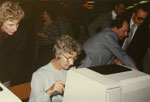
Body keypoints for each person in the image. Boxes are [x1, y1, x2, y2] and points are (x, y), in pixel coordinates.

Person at [29, 35, 82, 102]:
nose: (72, 63)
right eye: (68, 58)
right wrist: (49, 91)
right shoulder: (39, 75)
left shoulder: (72, 70)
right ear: (57, 55)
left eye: (74, 58)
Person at [0, 1, 24, 86]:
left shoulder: (17, 34)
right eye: (10, 25)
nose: (15, 28)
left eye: (17, 24)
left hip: (6, 76)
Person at [121, 5, 148, 71]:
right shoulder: (122, 20)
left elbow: (142, 52)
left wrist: (128, 61)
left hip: (129, 61)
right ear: (133, 14)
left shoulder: (144, 30)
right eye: (139, 18)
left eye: (144, 19)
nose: (142, 21)